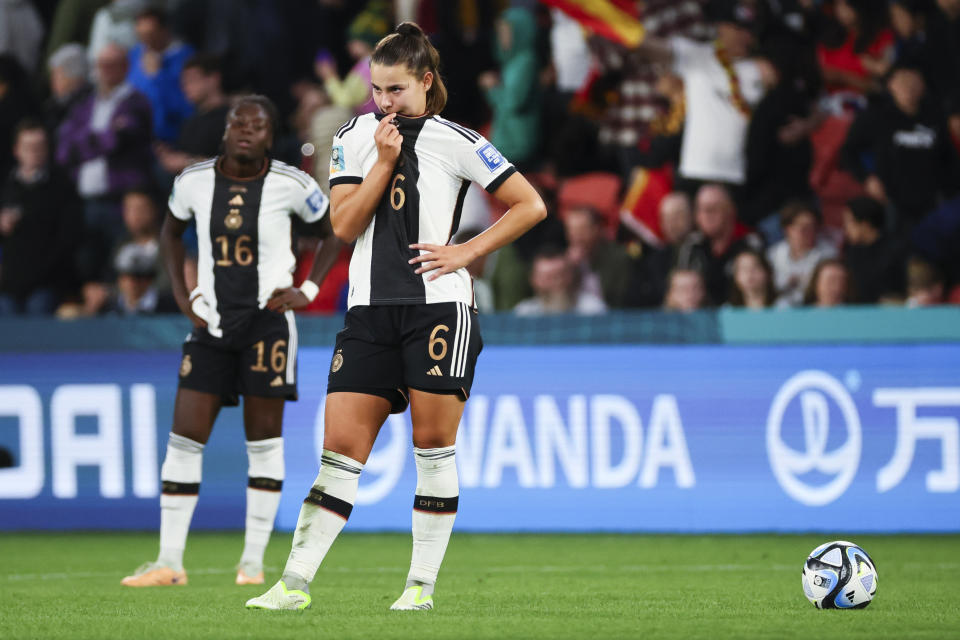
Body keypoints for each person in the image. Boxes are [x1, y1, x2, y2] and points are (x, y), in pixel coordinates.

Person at [246, 22, 546, 613]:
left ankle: (420, 588)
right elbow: (342, 226)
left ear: (426, 82)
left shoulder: (457, 139)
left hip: (439, 309)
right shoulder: (354, 136)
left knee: (432, 448)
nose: (384, 102)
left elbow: (530, 204)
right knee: (339, 452)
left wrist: (466, 251)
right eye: (377, 90)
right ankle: (294, 584)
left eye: (396, 90)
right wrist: (382, 163)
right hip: (368, 311)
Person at [121, 95, 343, 588]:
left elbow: (331, 233)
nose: (246, 130)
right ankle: (169, 562)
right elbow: (171, 234)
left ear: (270, 135)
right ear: (225, 129)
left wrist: (307, 289)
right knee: (183, 438)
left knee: (262, 443)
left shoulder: (293, 184)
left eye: (258, 125)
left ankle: (251, 563)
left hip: (267, 325)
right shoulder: (193, 181)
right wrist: (185, 296)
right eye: (238, 122)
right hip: (209, 327)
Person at [840, 59, 960, 227]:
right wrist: (867, 179)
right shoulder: (877, 116)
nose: (908, 87)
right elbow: (848, 151)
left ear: (923, 85)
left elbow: (949, 157)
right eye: (902, 81)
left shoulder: (935, 115)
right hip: (893, 201)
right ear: (891, 86)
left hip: (932, 199)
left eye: (913, 81)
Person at [0, 119, 81, 315]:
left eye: (40, 146)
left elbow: (68, 238)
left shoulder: (62, 186)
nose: (35, 152)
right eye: (29, 147)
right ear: (16, 150)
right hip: (8, 285)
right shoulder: (5, 187)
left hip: (45, 284)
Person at [675, 183, 763, 305]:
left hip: (740, 317)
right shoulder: (692, 245)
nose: (706, 215)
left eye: (712, 209)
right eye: (701, 209)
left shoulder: (750, 243)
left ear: (730, 211)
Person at [154, 53, 230, 177]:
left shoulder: (234, 119)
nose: (186, 87)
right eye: (183, 83)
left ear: (214, 79)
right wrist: (169, 156)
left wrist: (188, 163)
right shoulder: (190, 122)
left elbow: (236, 166)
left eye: (192, 80)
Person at [126, 7, 194, 143]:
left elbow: (186, 106)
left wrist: (158, 76)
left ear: (165, 31)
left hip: (169, 139)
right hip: (135, 137)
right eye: (141, 35)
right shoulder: (135, 55)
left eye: (151, 34)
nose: (146, 41)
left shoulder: (186, 58)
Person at [766, 201, 838, 307]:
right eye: (802, 228)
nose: (808, 232)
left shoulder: (828, 254)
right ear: (788, 229)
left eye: (812, 227)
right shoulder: (774, 254)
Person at [841, 196, 906, 302]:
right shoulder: (852, 253)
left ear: (865, 224)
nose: (845, 227)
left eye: (849, 221)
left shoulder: (896, 251)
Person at [513, 247, 607, 316]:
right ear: (534, 280)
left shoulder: (593, 310)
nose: (556, 283)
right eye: (548, 278)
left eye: (560, 275)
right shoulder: (523, 314)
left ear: (570, 276)